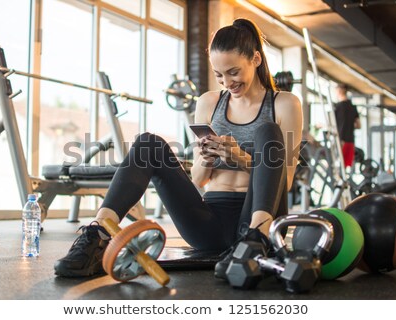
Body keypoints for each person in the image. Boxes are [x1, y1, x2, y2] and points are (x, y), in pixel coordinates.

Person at [54, 18, 303, 280]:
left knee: (268, 131)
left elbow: (284, 183)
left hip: (257, 220)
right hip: (208, 223)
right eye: (219, 75)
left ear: (255, 59)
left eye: (233, 72)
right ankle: (99, 233)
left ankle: (255, 243)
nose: (227, 82)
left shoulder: (285, 104)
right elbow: (199, 179)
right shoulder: (209, 102)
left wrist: (241, 158)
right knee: (148, 143)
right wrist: (207, 157)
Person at [334, 83, 361, 168]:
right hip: (350, 141)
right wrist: (350, 126)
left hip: (341, 141)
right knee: (344, 169)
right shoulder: (353, 107)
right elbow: (358, 125)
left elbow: (333, 125)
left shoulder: (338, 107)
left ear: (340, 91)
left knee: (337, 168)